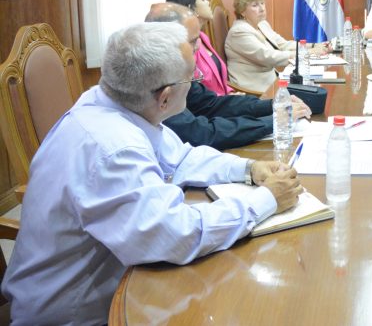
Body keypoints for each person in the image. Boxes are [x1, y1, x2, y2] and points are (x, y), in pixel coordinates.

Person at [1, 22, 302, 325]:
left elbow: (182, 158)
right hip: (76, 314)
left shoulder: (114, 103)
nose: (196, 81)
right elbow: (178, 235)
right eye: (192, 77)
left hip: (108, 281)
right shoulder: (113, 149)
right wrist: (267, 200)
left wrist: (249, 169)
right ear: (166, 97)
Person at [146, 3, 312, 149]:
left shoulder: (174, 69)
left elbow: (211, 105)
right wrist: (274, 120)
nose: (198, 47)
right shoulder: (153, 80)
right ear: (168, 42)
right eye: (193, 41)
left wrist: (273, 106)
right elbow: (201, 134)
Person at [226, 0, 330, 93]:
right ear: (242, 11)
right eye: (255, 5)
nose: (262, 8)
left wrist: (313, 45)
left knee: (316, 87)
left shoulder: (262, 24)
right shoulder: (238, 32)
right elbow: (269, 56)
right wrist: (308, 53)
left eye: (262, 3)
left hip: (272, 81)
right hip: (256, 88)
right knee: (313, 93)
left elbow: (283, 45)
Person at [167, 0, 233, 96]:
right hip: (208, 108)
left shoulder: (202, 37)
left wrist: (231, 93)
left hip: (222, 102)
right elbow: (194, 93)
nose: (208, 3)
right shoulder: (185, 45)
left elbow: (219, 78)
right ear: (191, 9)